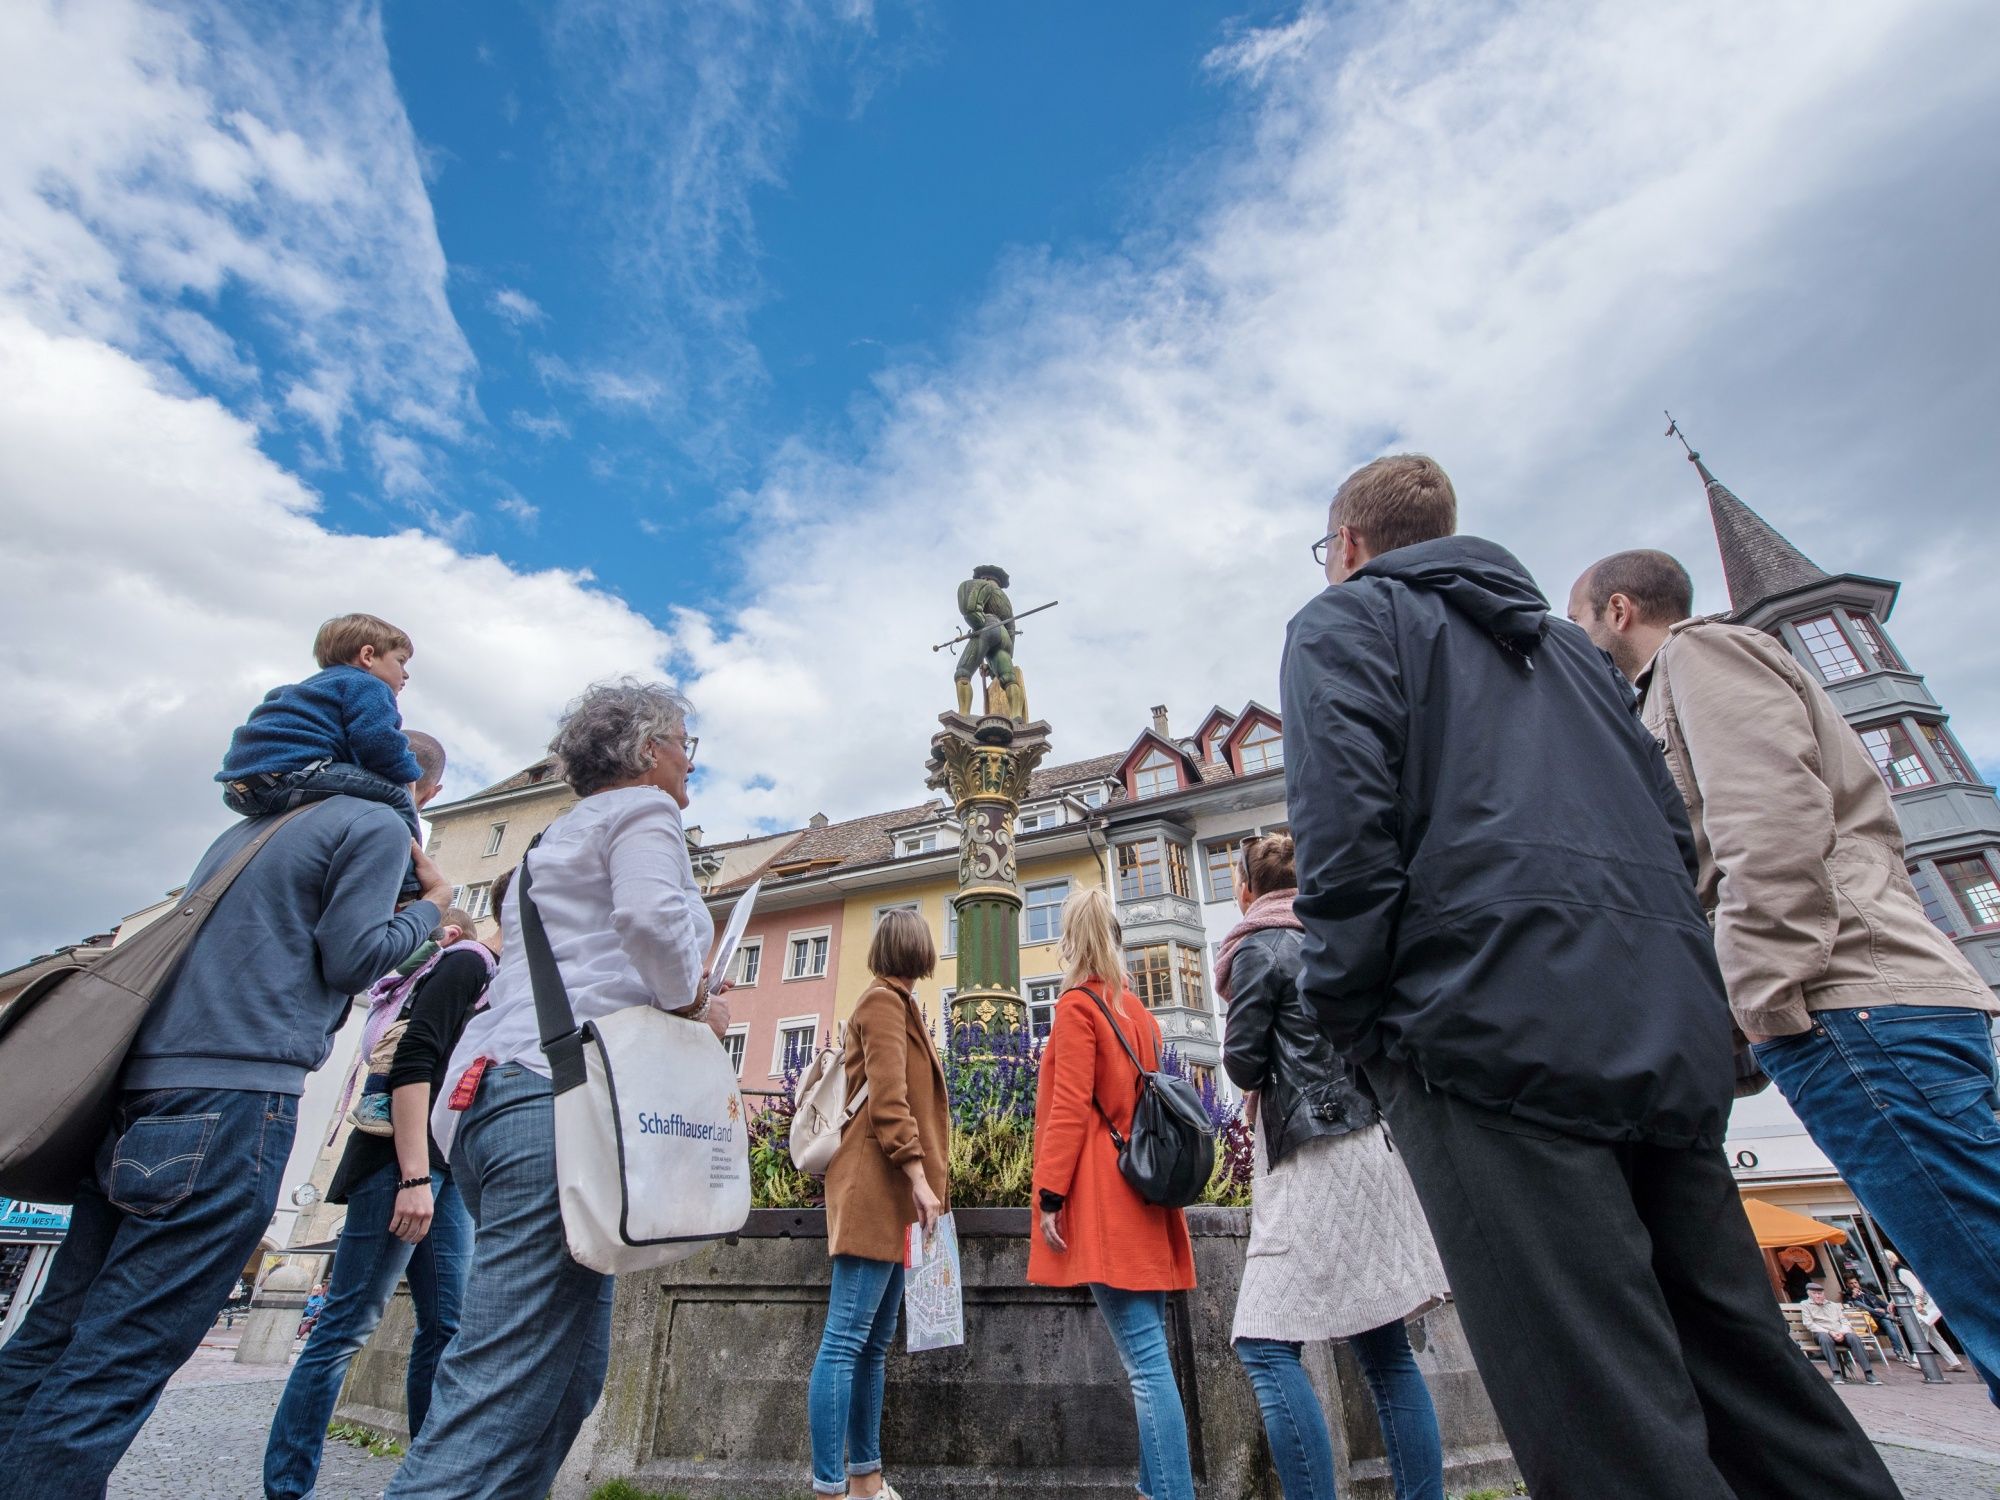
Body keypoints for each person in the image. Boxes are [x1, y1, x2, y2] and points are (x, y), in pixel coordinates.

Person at [1282, 455, 1897, 1500]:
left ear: (1346, 545)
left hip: (1479, 1036)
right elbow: (1670, 831)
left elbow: (1343, 839)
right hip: (1657, 1030)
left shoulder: (1344, 620)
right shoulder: (1572, 654)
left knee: (1596, 1406)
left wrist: (1351, 1020)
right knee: (1751, 1377)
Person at [1569, 548, 2000, 1402]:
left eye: (1579, 619)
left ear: (1618, 610)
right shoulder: (1676, 684)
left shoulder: (1699, 655)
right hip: (1864, 1001)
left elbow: (1769, 823)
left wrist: (1762, 1002)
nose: (1577, 637)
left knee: (1980, 1269)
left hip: (1849, 1000)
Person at [0, 733, 451, 1494]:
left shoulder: (253, 827)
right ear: (424, 790)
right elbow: (352, 958)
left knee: (52, 1335)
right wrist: (432, 908)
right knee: (120, 1360)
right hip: (234, 1096)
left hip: (142, 1093)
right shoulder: (377, 824)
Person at [384, 680, 728, 1500]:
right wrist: (693, 1001)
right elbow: (649, 921)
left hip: (495, 1104)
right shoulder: (645, 811)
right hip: (558, 1102)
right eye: (683, 744)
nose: (690, 763)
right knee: (495, 1387)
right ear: (648, 750)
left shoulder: (552, 839)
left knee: (569, 1378)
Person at [1220, 833, 1448, 1500]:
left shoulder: (1259, 946)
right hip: (1371, 1144)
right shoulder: (1333, 937)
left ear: (1246, 890)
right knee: (1386, 1352)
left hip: (1315, 1158)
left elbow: (1242, 1063)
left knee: (1264, 1344)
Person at [262, 894, 502, 1499]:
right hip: (401, 1163)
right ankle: (287, 1488)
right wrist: (414, 1178)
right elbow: (415, 1060)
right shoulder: (468, 961)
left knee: (446, 1325)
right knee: (346, 1324)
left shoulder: (499, 976)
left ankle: (431, 1480)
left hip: (444, 1166)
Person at [1030, 887, 1197, 1500]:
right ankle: (1156, 1490)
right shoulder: (1138, 1013)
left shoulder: (1078, 1008)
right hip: (1146, 1190)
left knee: (1146, 1365)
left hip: (1105, 1197)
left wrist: (1050, 1194)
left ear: (1072, 940)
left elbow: (1070, 1106)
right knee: (1153, 1358)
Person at [808, 909, 949, 1500]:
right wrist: (919, 1177)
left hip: (893, 1199)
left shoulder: (901, 1004)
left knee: (871, 1346)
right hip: (877, 1190)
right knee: (846, 1342)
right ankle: (829, 1488)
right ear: (914, 951)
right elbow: (890, 1103)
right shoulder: (884, 1004)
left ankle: (866, 1480)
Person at [1886, 1252, 1966, 1373]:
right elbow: (1900, 1289)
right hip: (1919, 1306)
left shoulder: (1901, 1271)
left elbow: (1917, 1288)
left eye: (1882, 1260)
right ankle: (1955, 1363)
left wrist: (1919, 1304)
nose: (1880, 1262)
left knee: (1918, 1331)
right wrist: (1892, 1302)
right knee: (1934, 1337)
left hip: (1922, 1307)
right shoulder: (1895, 1272)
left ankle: (1919, 1361)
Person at [1798, 1284, 1882, 1386]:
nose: (1818, 1296)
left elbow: (1845, 1322)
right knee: (1825, 1338)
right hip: (1822, 1333)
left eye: (1820, 1293)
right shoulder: (1805, 1304)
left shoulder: (1834, 1305)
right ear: (1809, 1294)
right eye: (1814, 1293)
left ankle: (1869, 1373)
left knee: (1854, 1337)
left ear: (1824, 1294)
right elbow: (1809, 1324)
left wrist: (1842, 1332)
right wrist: (1830, 1332)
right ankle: (1836, 1372)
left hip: (1840, 1333)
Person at [1842, 1275, 1913, 1365]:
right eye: (1851, 1283)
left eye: (1855, 1282)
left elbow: (1884, 1305)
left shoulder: (1868, 1292)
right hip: (1865, 1320)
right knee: (1857, 1303)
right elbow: (1848, 1307)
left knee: (1889, 1325)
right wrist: (1853, 1296)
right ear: (1847, 1285)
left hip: (1879, 1318)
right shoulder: (1847, 1296)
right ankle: (1888, 1317)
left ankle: (1899, 1353)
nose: (1854, 1285)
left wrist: (1884, 1310)